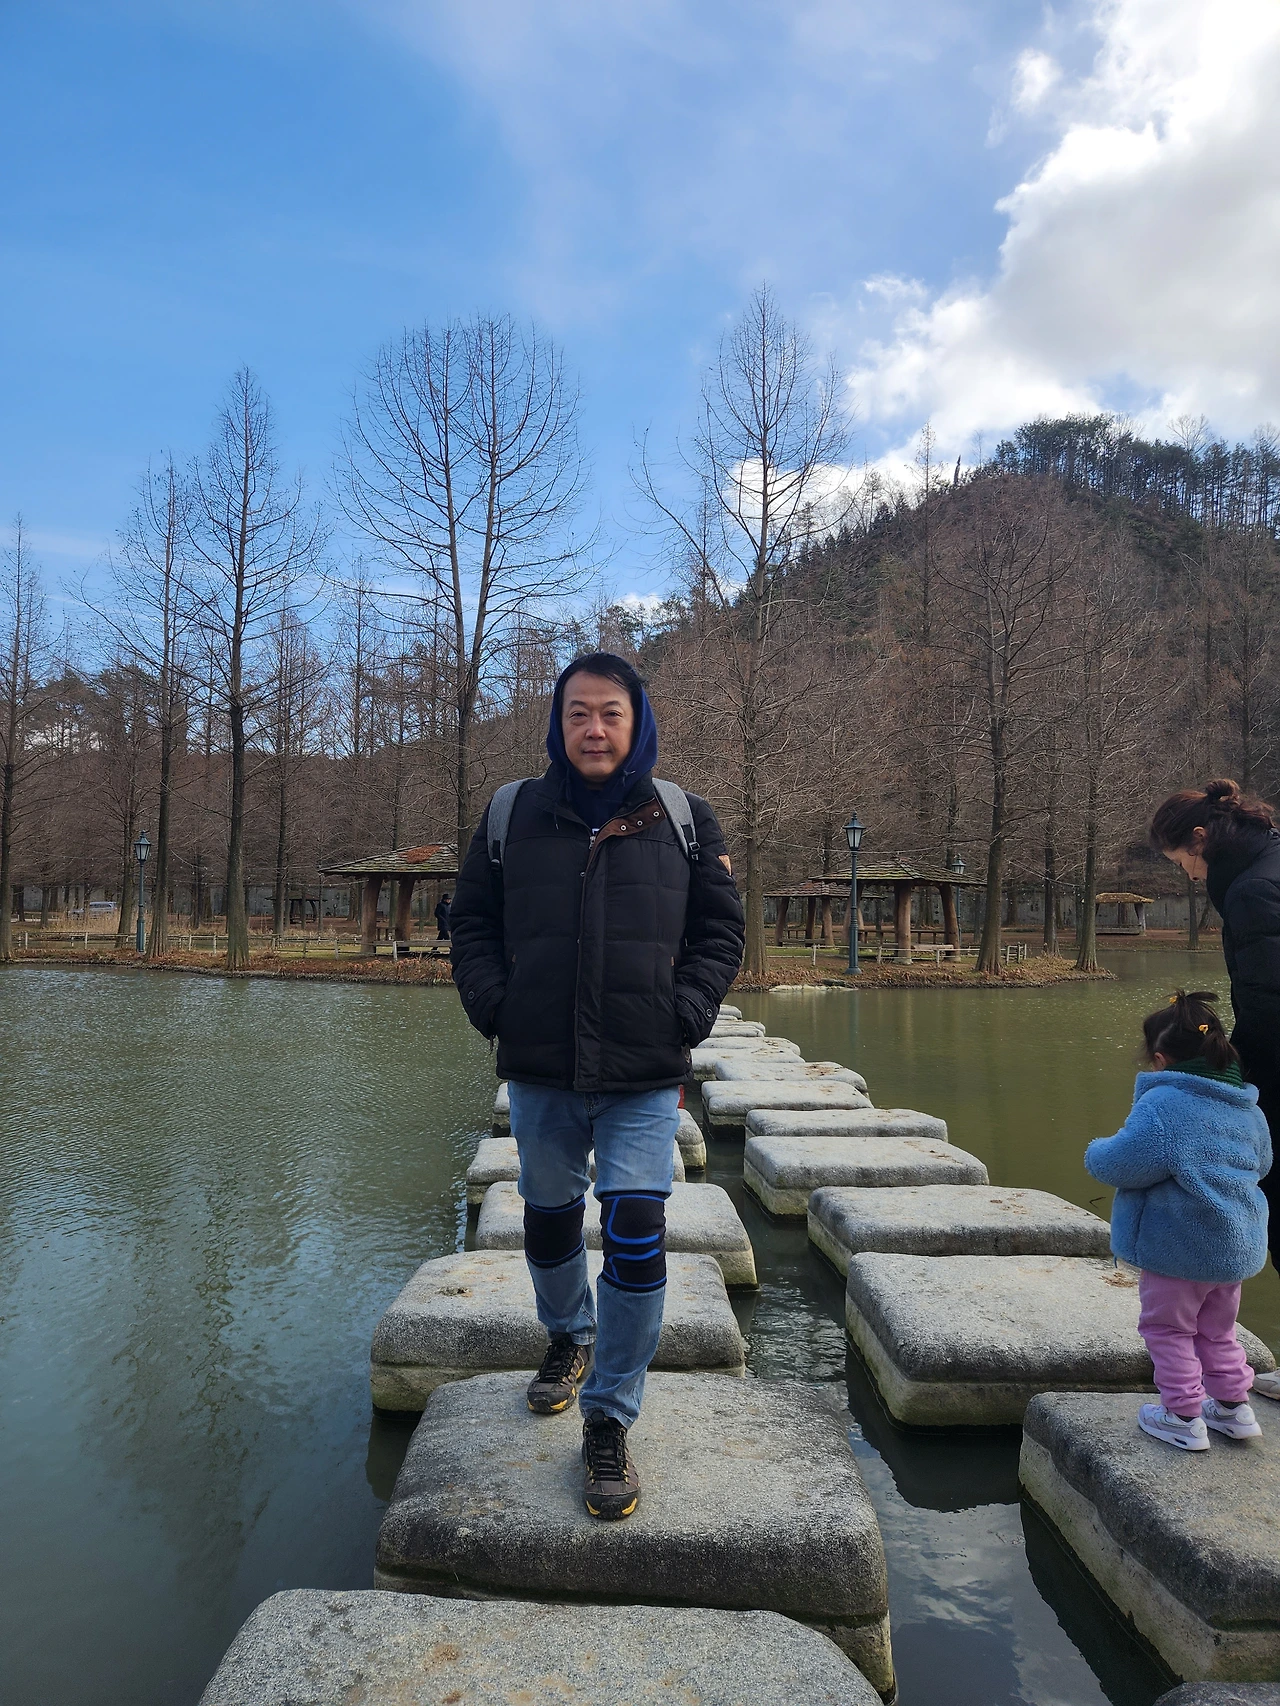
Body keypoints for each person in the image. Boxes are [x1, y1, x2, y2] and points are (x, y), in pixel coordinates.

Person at [449, 652, 744, 1519]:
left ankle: (610, 1416)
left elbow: (721, 931)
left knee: (636, 1232)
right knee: (547, 1218)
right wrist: (496, 1006)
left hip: (643, 1070)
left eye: (611, 712)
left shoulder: (683, 817)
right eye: (578, 712)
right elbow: (470, 922)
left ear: (636, 720)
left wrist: (685, 1011)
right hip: (540, 1065)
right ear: (558, 720)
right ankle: (568, 1335)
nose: (594, 728)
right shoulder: (512, 812)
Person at [1084, 991, 1271, 1450]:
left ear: (1160, 1060)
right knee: (1217, 1330)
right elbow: (1262, 1165)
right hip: (1233, 1247)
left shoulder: (1164, 1105)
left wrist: (1095, 1151)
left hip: (1179, 1248)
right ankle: (1233, 1407)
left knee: (1167, 1329)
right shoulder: (1249, 1109)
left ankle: (1182, 1414)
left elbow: (1124, 1164)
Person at [1150, 778, 1280, 1401]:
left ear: (1201, 839)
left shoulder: (1253, 891)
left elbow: (1269, 1008)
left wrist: (1232, 1078)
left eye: (1184, 862)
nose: (1190, 876)